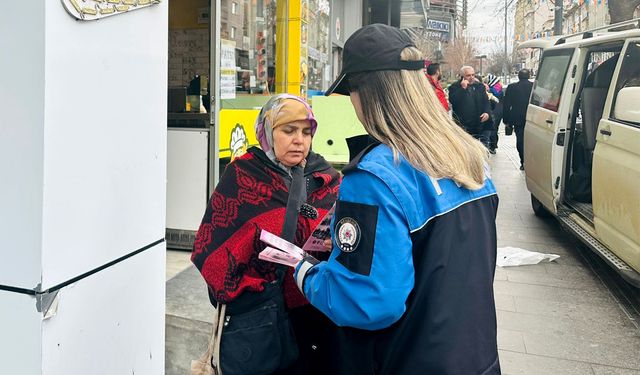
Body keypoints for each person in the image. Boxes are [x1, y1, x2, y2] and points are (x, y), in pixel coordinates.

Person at [293, 24, 500, 375]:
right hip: (476, 359)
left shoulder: (375, 178)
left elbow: (369, 302)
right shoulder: (470, 159)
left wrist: (306, 274)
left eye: (351, 93)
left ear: (368, 92)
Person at [191, 94, 341, 374]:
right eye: (288, 130)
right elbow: (210, 249)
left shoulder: (325, 179)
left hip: (315, 316)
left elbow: (332, 230)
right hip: (260, 320)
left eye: (306, 132)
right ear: (267, 132)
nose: (299, 140)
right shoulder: (242, 177)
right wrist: (252, 291)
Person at [448, 65, 493, 147]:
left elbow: (486, 102)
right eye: (468, 75)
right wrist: (463, 89)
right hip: (465, 125)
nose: (471, 77)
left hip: (481, 123)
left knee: (484, 148)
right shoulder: (455, 87)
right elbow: (453, 101)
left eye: (473, 75)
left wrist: (487, 112)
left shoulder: (479, 86)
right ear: (462, 77)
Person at [503, 68, 533, 170]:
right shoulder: (534, 87)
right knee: (531, 140)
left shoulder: (512, 87)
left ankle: (523, 161)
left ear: (518, 76)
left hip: (517, 118)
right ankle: (531, 161)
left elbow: (506, 104)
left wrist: (506, 120)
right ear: (529, 76)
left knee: (520, 140)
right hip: (532, 117)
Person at [486, 73, 504, 154]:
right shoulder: (499, 88)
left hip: (494, 110)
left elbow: (493, 97)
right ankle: (494, 145)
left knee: (492, 128)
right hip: (499, 110)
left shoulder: (492, 89)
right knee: (495, 128)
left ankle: (492, 145)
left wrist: (488, 89)